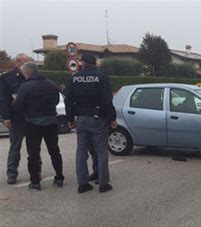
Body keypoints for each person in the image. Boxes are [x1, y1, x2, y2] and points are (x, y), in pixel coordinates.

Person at [65, 53, 117, 193]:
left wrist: (70, 119)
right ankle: (103, 184)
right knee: (101, 151)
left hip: (81, 118)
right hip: (98, 118)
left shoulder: (74, 78)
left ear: (82, 63)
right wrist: (112, 118)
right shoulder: (101, 77)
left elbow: (68, 100)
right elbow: (107, 100)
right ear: (95, 63)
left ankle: (82, 184)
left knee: (81, 151)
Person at [12, 62, 64, 191]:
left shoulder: (25, 87)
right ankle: (59, 178)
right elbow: (57, 101)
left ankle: (35, 182)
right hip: (51, 121)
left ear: (28, 72)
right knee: (54, 151)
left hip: (33, 123)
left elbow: (17, 106)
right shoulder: (51, 84)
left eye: (23, 73)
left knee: (33, 153)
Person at [0, 54, 39, 185]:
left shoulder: (34, 77)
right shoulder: (7, 78)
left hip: (32, 116)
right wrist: (6, 117)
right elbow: (4, 99)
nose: (29, 64)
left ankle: (36, 171)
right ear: (17, 63)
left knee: (34, 147)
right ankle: (12, 173)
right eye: (26, 62)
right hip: (16, 118)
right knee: (15, 147)